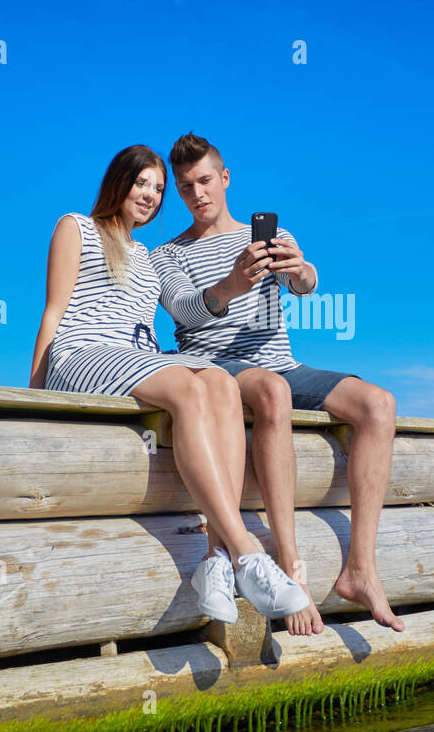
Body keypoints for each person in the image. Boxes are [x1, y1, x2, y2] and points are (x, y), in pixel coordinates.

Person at [29, 144, 309, 623]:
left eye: (159, 190)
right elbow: (53, 309)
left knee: (219, 380)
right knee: (186, 386)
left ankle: (216, 562)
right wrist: (34, 396)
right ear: (119, 181)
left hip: (134, 359)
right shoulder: (76, 226)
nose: (151, 196)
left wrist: (273, 278)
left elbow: (182, 312)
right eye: (143, 184)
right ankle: (245, 549)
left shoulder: (146, 257)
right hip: (80, 354)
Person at [149, 132, 405, 635]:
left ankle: (362, 571)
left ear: (224, 178)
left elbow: (304, 286)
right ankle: (290, 566)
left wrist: (302, 269)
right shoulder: (167, 254)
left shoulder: (266, 235)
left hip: (282, 361)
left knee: (379, 403)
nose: (196, 194)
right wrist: (232, 284)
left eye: (204, 181)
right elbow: (182, 309)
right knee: (272, 390)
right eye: (184, 187)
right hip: (217, 366)